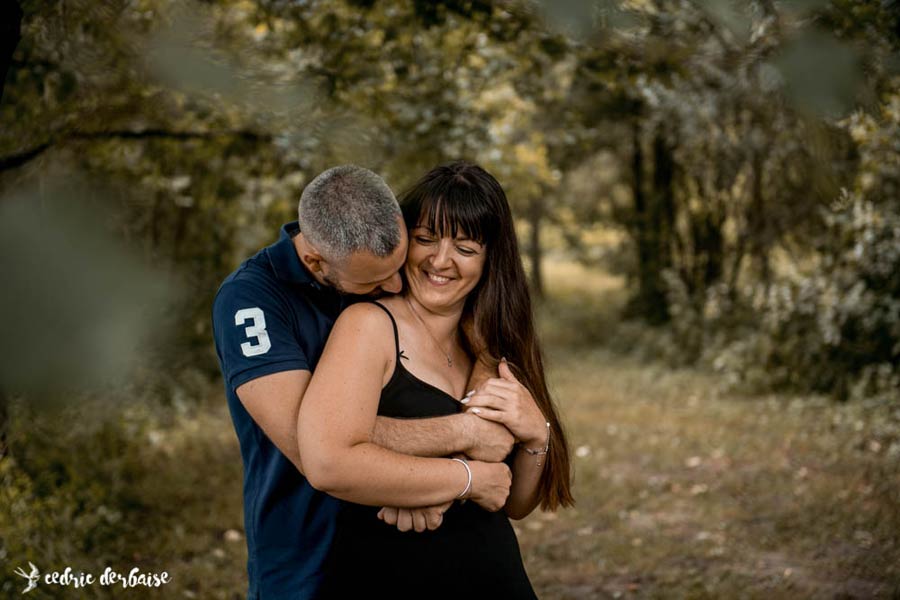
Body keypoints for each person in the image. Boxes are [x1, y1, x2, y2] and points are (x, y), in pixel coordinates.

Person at [212, 165, 516, 599]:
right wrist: (463, 461)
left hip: (397, 554)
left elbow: (474, 333)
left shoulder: (374, 257)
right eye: (375, 281)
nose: (394, 286)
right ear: (316, 261)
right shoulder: (252, 302)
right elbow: (317, 446)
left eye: (396, 268)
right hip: (306, 553)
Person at [298, 161, 575, 599]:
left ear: (490, 259)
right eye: (426, 239)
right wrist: (457, 474)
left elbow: (515, 504)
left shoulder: (494, 338)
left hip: (495, 580)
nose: (439, 261)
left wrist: (535, 433)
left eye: (465, 248)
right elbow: (332, 454)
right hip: (390, 580)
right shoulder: (368, 326)